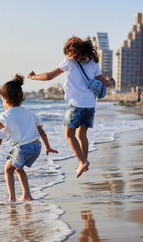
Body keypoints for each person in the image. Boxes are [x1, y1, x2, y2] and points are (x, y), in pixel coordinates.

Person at [27, 36, 115, 178]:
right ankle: (84, 162)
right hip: (90, 105)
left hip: (76, 105)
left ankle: (83, 162)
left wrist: (33, 77)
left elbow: (49, 76)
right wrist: (110, 81)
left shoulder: (69, 62)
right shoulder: (93, 64)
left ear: (71, 51)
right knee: (82, 135)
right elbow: (105, 82)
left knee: (69, 135)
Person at [0, 74, 58, 202]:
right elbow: (41, 131)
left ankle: (12, 198)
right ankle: (27, 195)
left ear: (5, 99)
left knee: (8, 169)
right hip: (36, 147)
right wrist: (48, 147)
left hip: (23, 147)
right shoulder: (30, 113)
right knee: (18, 168)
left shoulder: (4, 116)